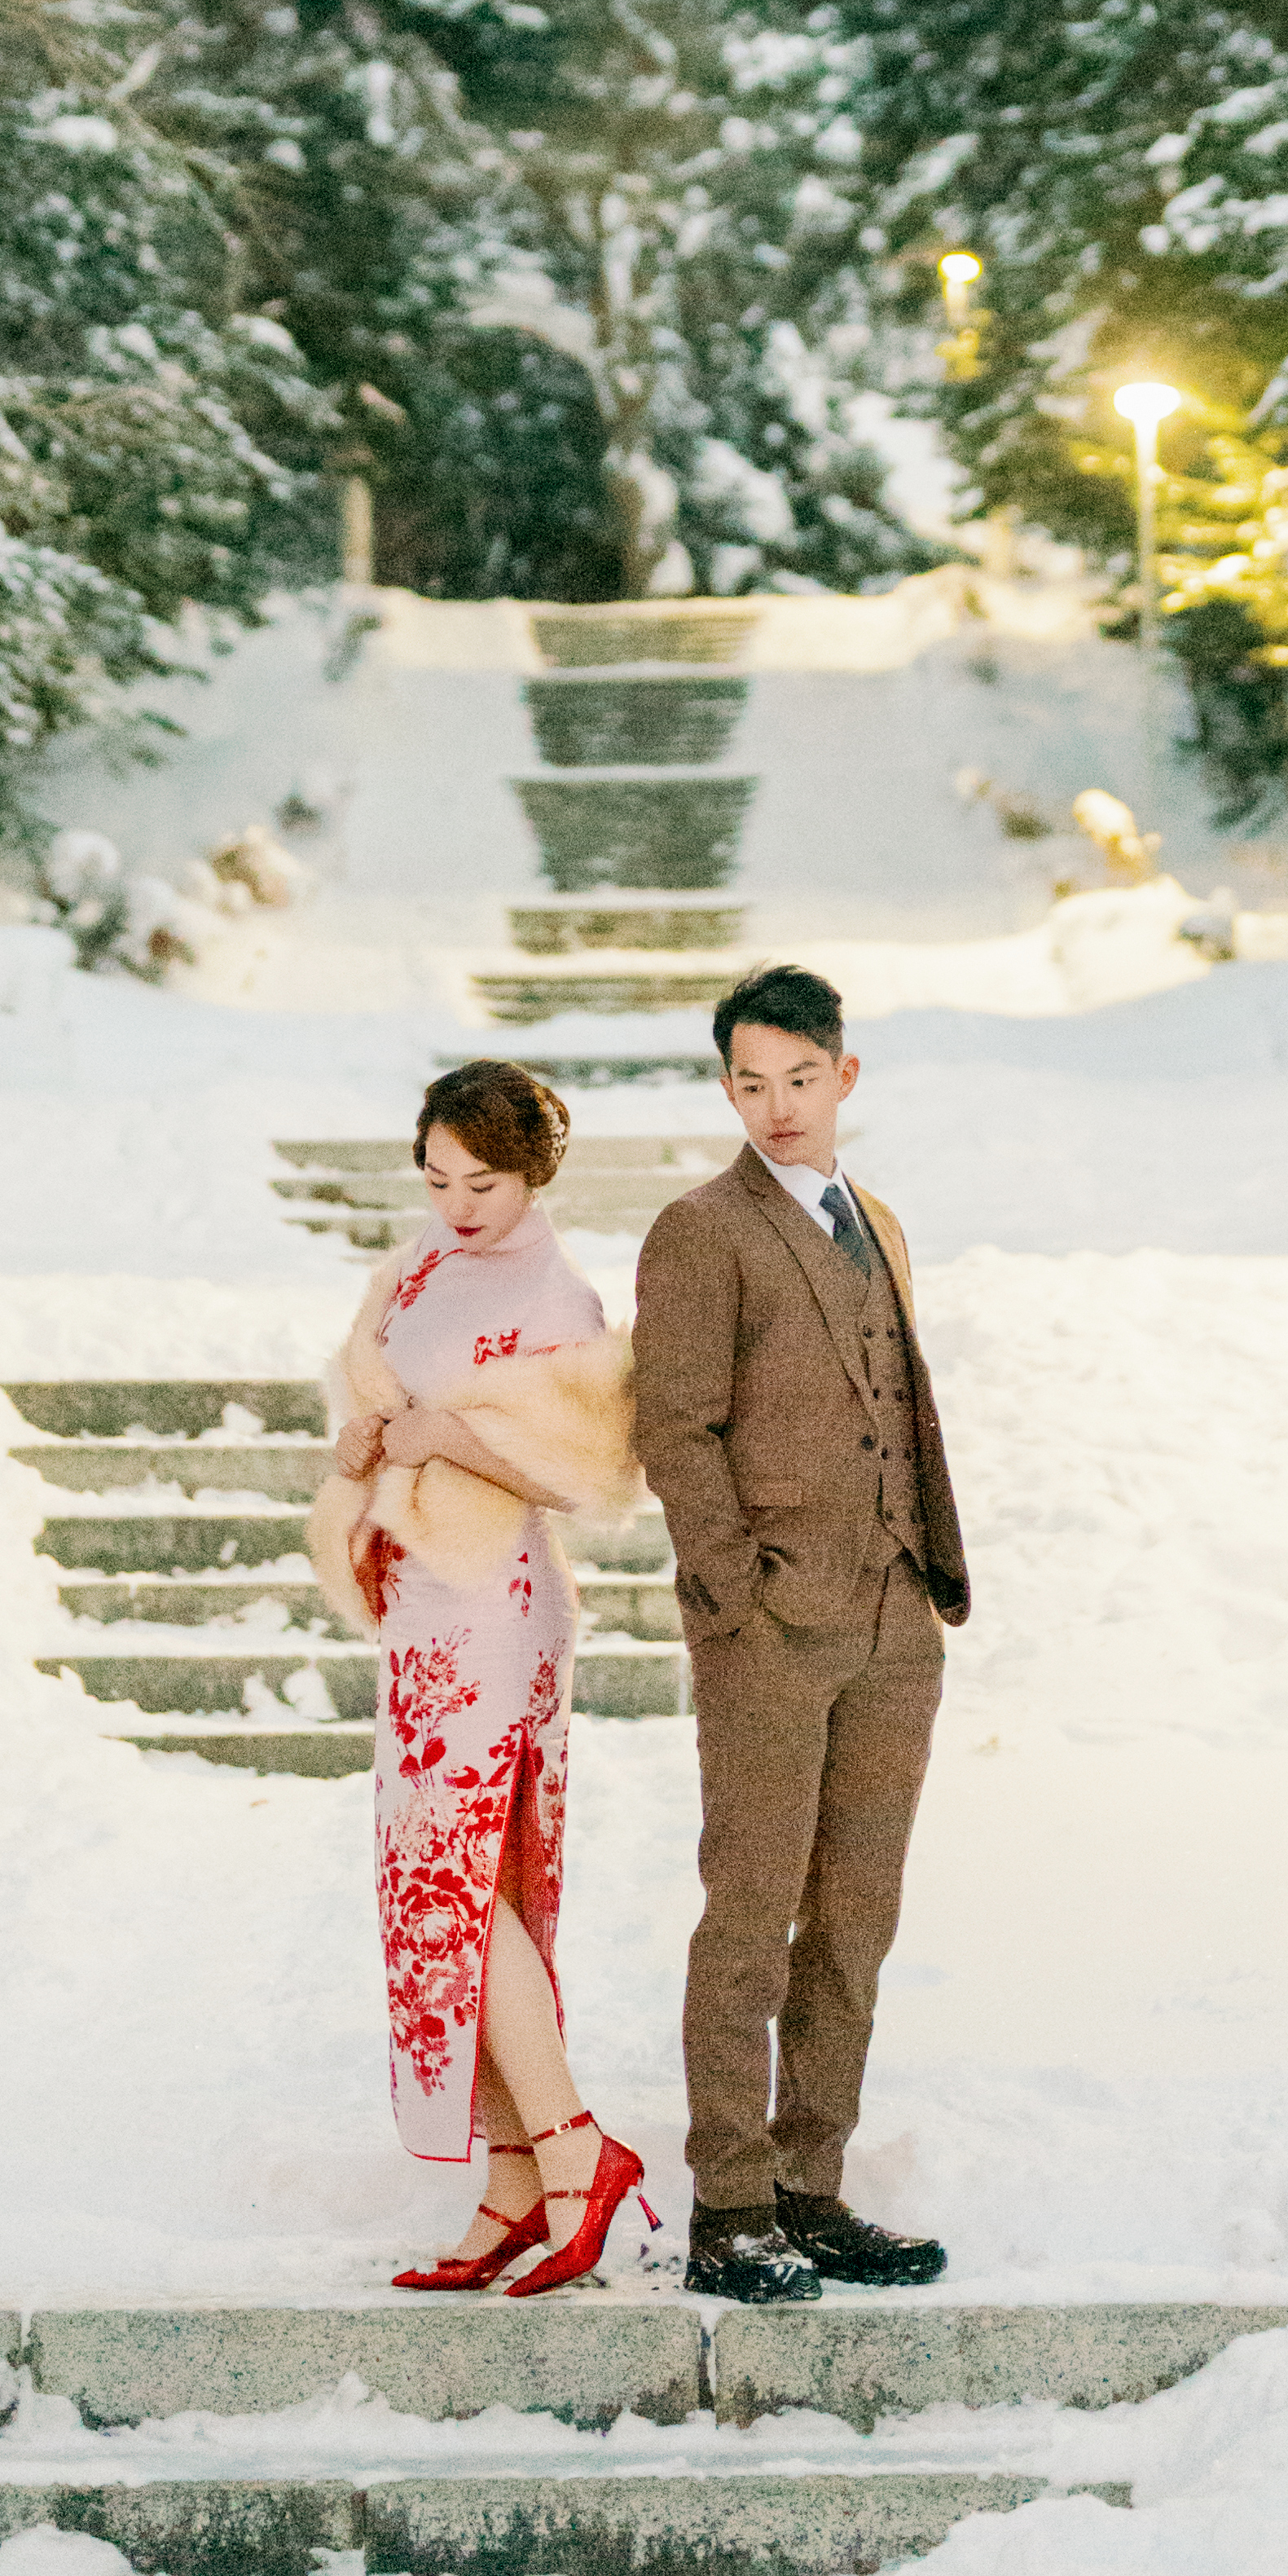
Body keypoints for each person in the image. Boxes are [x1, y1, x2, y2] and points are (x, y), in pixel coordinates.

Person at [631, 961, 969, 2305]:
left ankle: (810, 2185)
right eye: (749, 1083)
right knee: (751, 1909)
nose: (776, 1106)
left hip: (893, 1614)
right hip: (772, 1618)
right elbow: (675, 1424)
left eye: (798, 1078)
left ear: (844, 1077)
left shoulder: (871, 1216)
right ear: (727, 1088)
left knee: (856, 1914)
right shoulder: (699, 1229)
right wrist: (732, 1591)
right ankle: (726, 2202)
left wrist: (926, 1569)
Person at [308, 1056, 657, 2293]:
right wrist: (368, 1441)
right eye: (440, 1175)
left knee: (459, 1871)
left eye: (487, 1182)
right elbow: (387, 1392)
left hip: (499, 1601)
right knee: (436, 1875)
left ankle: (575, 2152)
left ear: (536, 1171)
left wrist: (446, 1435)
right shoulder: (415, 1264)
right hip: (424, 1602)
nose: (460, 1203)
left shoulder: (560, 1296)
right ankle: (515, 2177)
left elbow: (588, 1472)